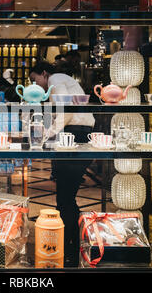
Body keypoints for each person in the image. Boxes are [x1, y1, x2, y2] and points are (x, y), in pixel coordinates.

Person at [29, 61, 96, 267]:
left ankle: (72, 249)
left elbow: (66, 111)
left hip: (74, 134)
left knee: (66, 198)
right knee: (65, 197)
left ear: (44, 73)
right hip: (76, 133)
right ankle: (71, 247)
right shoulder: (59, 83)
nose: (35, 85)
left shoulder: (56, 79)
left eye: (35, 80)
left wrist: (46, 134)